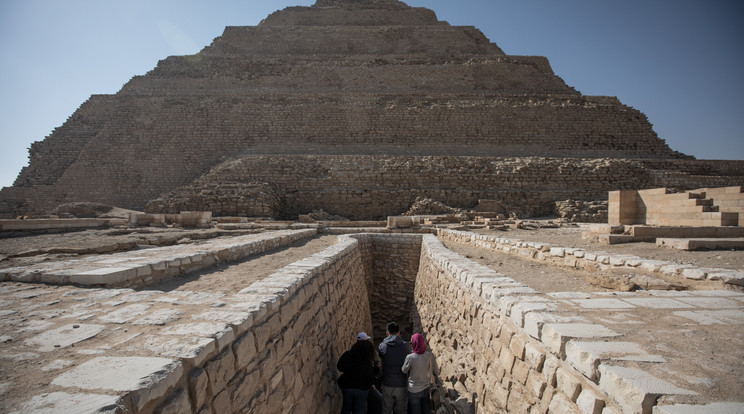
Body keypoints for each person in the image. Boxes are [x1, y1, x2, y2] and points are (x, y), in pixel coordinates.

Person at [337, 337, 378, 414]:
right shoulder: (366, 361)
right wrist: (372, 383)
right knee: (359, 409)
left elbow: (340, 367)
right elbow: (369, 375)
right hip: (362, 389)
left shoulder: (348, 355)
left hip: (347, 386)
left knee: (346, 408)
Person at [401, 333, 440, 414]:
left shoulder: (410, 357)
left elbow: (404, 370)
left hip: (413, 390)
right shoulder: (430, 355)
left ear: (414, 343)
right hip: (426, 389)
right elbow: (436, 371)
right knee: (426, 411)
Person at [378, 322, 410, 414]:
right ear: (399, 332)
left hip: (387, 383)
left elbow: (381, 356)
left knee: (386, 410)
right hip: (402, 383)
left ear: (387, 333)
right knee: (402, 410)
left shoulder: (382, 346)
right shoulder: (406, 346)